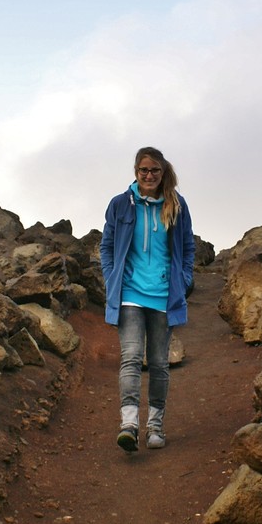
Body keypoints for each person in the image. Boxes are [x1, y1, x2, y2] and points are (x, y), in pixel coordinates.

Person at [100, 147, 195, 452]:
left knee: (158, 363)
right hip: (129, 294)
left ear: (163, 171)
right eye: (143, 170)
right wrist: (111, 277)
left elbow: (188, 247)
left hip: (164, 296)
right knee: (130, 357)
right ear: (136, 172)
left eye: (154, 170)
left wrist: (185, 279)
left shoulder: (177, 206)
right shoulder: (120, 205)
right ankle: (129, 423)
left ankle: (155, 426)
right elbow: (107, 246)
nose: (149, 175)